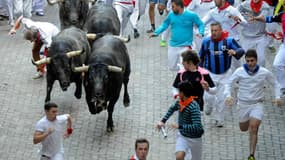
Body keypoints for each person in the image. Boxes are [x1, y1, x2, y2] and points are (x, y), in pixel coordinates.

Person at [224, 49, 283, 160]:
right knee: (243, 128)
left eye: (252, 60)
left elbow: (275, 83)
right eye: (248, 61)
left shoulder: (264, 72)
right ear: (245, 60)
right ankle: (247, 126)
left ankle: (251, 155)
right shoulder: (239, 71)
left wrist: (277, 97)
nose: (250, 63)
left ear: (257, 60)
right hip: (243, 104)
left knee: (254, 127)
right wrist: (228, 95)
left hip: (257, 104)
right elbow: (229, 83)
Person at [199, 22, 244, 127]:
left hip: (225, 74)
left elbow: (241, 50)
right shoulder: (206, 41)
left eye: (216, 30)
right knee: (208, 97)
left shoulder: (229, 41)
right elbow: (200, 57)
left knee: (222, 98)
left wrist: (235, 52)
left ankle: (219, 119)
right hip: (210, 73)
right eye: (212, 31)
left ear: (221, 30)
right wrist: (199, 72)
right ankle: (209, 106)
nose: (214, 33)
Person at [149, 0, 204, 72]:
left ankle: (184, 75)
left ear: (179, 6)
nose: (171, 8)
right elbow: (164, 24)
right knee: (172, 67)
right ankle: (181, 69)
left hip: (186, 46)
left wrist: (201, 32)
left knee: (185, 67)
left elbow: (200, 24)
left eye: (173, 6)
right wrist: (156, 33)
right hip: (173, 46)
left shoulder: (191, 15)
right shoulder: (171, 14)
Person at [157, 81, 204, 160]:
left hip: (195, 139)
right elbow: (172, 109)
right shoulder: (180, 102)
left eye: (179, 91)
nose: (178, 93)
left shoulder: (194, 107)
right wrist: (163, 121)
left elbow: (197, 126)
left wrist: (180, 126)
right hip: (183, 136)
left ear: (182, 93)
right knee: (179, 157)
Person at [202, 0, 247, 70]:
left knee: (237, 66)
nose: (214, 1)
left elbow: (245, 24)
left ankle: (239, 79)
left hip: (234, 41)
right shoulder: (212, 12)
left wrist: (238, 20)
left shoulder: (233, 10)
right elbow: (201, 23)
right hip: (221, 43)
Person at [250, 11, 285, 96]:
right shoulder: (282, 15)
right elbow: (268, 19)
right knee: (277, 64)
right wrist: (256, 18)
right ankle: (283, 87)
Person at [237, 0, 270, 67]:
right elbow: (236, 11)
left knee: (261, 60)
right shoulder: (245, 3)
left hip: (260, 37)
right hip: (247, 38)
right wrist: (239, 17)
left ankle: (261, 75)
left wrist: (254, 18)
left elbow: (262, 17)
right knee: (246, 60)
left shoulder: (265, 6)